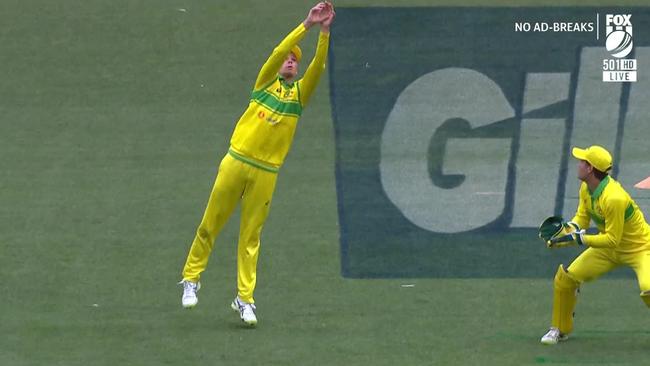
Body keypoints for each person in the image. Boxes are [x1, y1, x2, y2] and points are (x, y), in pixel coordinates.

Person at [178, 2, 335, 327]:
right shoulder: (264, 84)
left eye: (295, 59)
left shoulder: (299, 96)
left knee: (251, 238)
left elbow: (318, 67)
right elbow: (277, 50)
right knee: (211, 223)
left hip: (266, 173)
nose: (290, 60)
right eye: (288, 59)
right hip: (236, 161)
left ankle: (245, 299)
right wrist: (306, 24)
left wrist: (324, 32)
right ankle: (191, 278)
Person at [540, 145, 650, 344]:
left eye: (582, 162)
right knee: (566, 279)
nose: (578, 164)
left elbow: (612, 238)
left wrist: (579, 239)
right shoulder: (586, 188)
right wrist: (564, 234)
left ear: (590, 169)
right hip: (608, 251)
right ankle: (559, 329)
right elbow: (582, 218)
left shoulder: (614, 197)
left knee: (648, 287)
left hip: (640, 248)